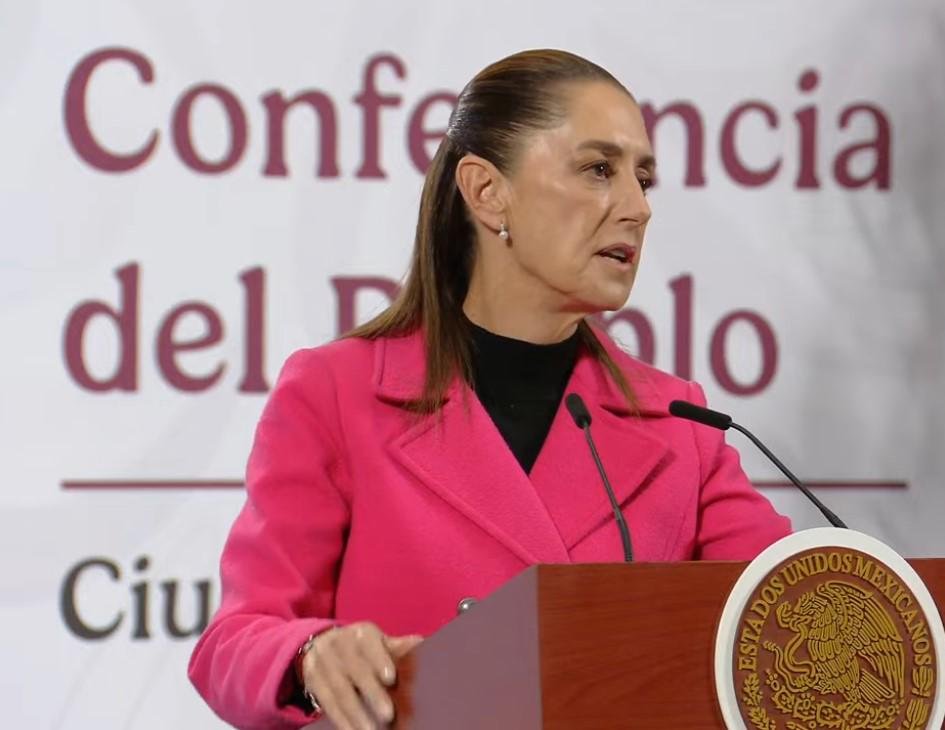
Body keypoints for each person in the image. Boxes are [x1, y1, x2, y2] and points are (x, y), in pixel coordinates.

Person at [188, 49, 791, 730]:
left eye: (643, 179)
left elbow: (793, 616)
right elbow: (233, 641)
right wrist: (310, 654)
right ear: (485, 191)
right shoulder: (335, 393)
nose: (638, 208)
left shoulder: (679, 425)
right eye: (599, 169)